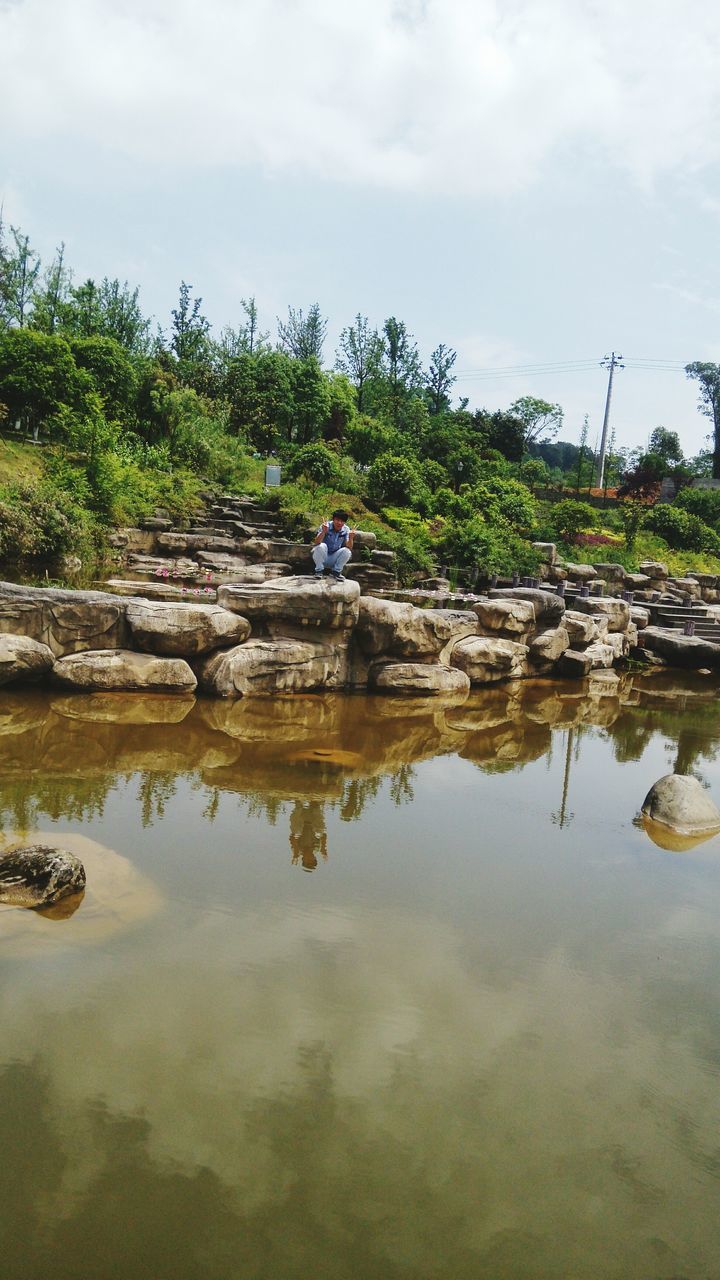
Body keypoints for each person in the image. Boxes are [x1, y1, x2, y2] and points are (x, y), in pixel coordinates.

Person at [311, 508, 356, 581]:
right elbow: (316, 542)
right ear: (333, 519)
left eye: (342, 521)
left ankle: (336, 572)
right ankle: (319, 571)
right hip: (321, 556)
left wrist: (351, 538)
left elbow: (349, 547)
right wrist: (323, 532)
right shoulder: (325, 526)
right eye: (337, 520)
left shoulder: (346, 529)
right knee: (321, 546)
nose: (339, 523)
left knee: (347, 551)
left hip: (334, 558)